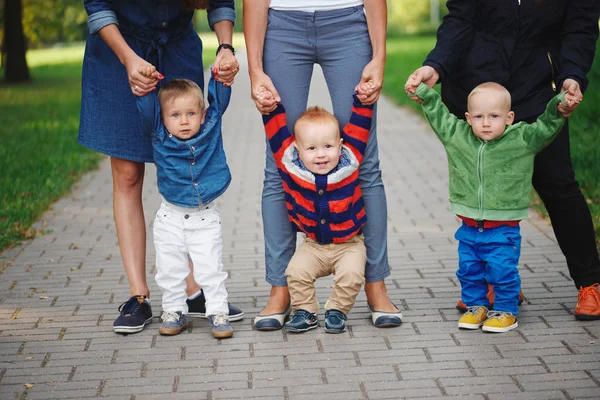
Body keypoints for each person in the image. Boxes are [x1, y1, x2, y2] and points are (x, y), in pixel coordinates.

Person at [405, 0, 600, 321]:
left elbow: (580, 27)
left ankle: (589, 282)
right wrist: (435, 66)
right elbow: (461, 18)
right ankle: (497, 281)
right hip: (477, 87)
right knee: (482, 185)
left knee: (558, 183)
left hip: (538, 85)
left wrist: (573, 76)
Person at [79, 0, 244, 334]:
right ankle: (138, 296)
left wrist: (225, 47)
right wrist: (128, 59)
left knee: (184, 164)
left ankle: (193, 292)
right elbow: (97, 5)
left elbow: (221, 2)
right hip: (118, 51)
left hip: (177, 48)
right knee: (127, 173)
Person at [244, 0, 403, 331]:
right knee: (279, 168)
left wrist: (379, 55)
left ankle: (375, 283)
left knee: (363, 165)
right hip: (282, 25)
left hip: (348, 22)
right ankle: (281, 288)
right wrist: (255, 69)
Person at [409, 81, 570, 332]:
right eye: (479, 116)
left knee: (502, 271)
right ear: (468, 118)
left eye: (494, 116)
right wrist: (425, 95)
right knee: (469, 270)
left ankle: (506, 311)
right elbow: (440, 117)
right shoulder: (458, 136)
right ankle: (477, 306)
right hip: (469, 226)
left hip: (503, 229)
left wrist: (558, 106)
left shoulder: (522, 139)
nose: (486, 123)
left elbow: (546, 126)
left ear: (509, 117)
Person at [134, 65, 234, 337]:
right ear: (163, 118)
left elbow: (219, 101)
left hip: (205, 218)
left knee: (211, 268)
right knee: (169, 269)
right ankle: (174, 311)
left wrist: (221, 76)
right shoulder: (159, 134)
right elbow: (147, 108)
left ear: (202, 115)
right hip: (170, 219)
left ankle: (217, 311)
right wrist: (144, 86)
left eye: (191, 114)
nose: (184, 121)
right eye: (175, 115)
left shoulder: (209, 128)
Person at [262, 94, 373, 333]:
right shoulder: (290, 166)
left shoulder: (350, 162)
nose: (321, 154)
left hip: (350, 245)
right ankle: (306, 312)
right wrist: (271, 110)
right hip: (313, 245)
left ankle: (337, 311)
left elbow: (361, 128)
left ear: (340, 146)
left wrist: (363, 102)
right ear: (298, 150)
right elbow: (277, 135)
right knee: (295, 272)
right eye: (311, 148)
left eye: (328, 147)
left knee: (352, 275)